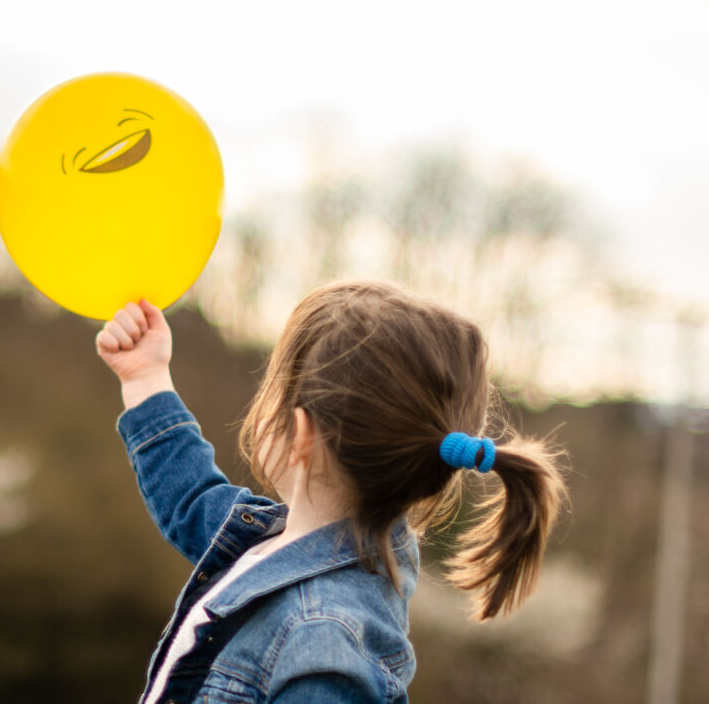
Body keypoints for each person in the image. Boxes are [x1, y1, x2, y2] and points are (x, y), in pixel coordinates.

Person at [95, 282, 567, 703]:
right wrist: (146, 379)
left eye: (272, 388)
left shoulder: (323, 641)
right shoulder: (269, 542)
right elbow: (191, 496)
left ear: (300, 432)